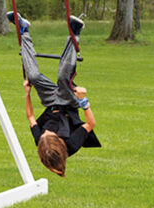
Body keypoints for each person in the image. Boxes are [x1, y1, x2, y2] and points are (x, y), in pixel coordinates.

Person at [7, 11, 100, 177]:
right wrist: (83, 101)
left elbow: (30, 117)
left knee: (33, 76)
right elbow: (90, 123)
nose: (46, 131)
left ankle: (24, 30)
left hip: (50, 102)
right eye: (49, 134)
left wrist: (27, 94)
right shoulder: (71, 145)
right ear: (58, 141)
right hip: (68, 103)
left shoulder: (41, 141)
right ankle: (75, 33)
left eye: (44, 133)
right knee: (63, 77)